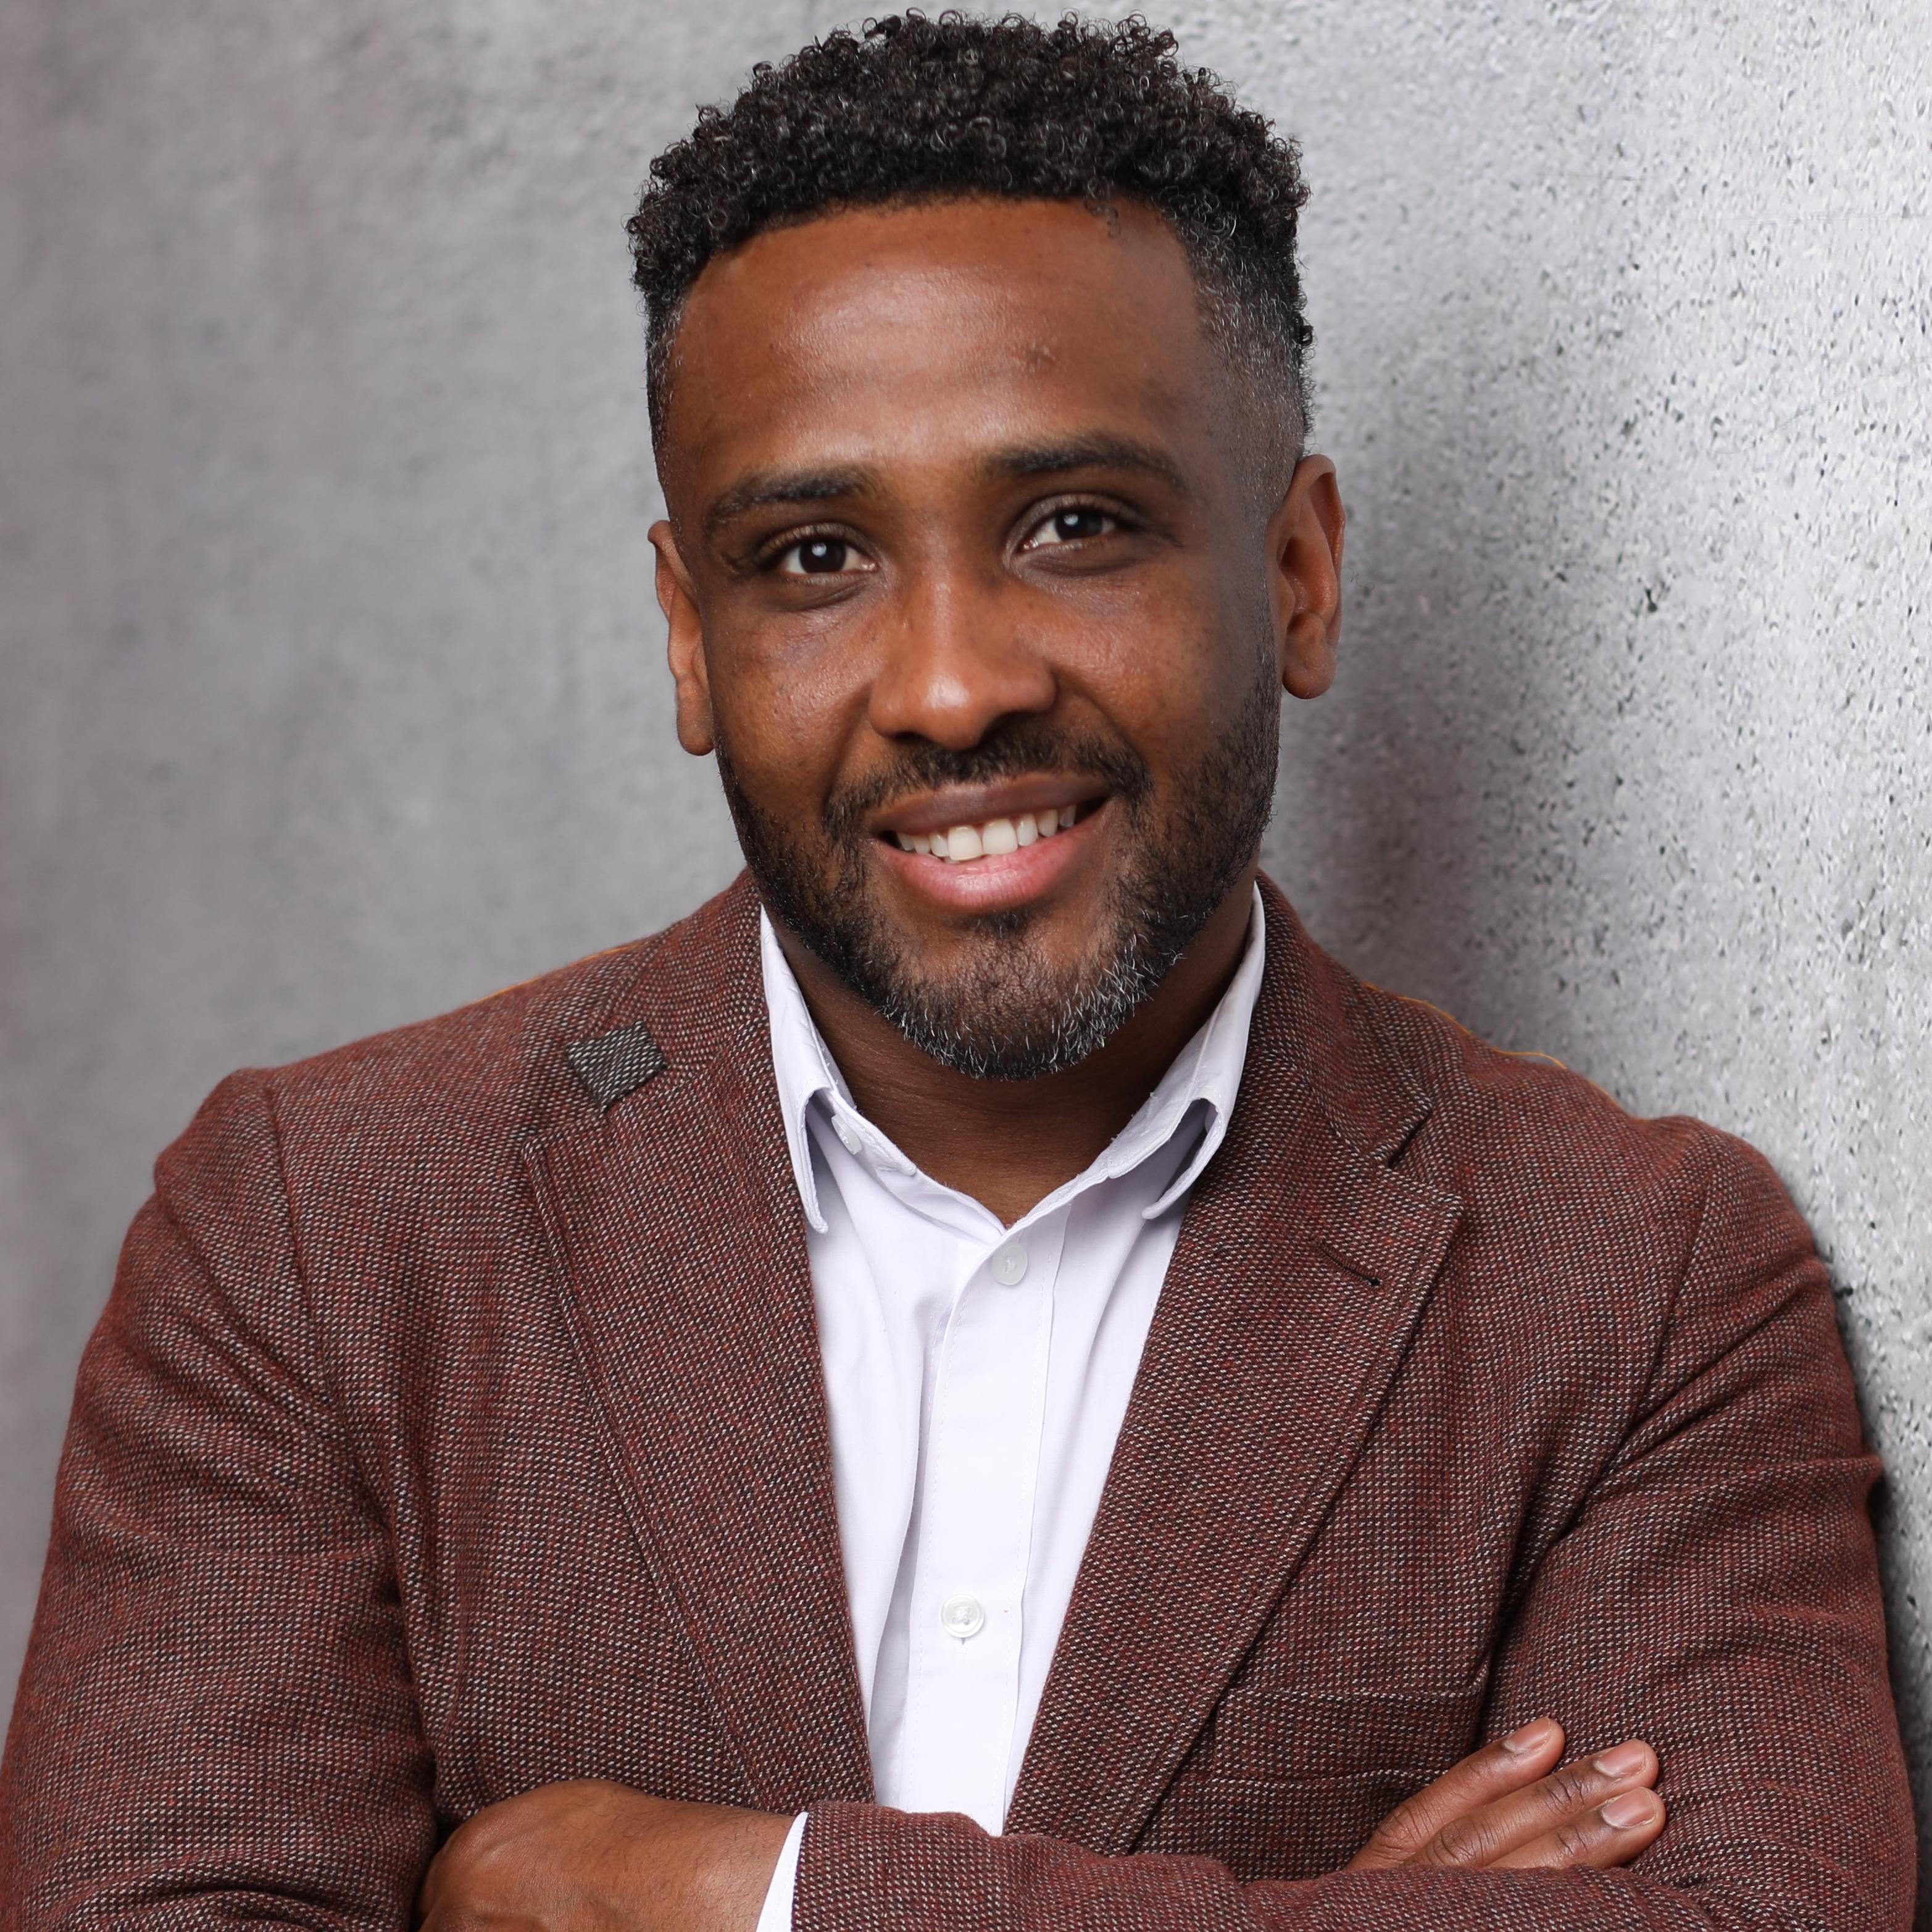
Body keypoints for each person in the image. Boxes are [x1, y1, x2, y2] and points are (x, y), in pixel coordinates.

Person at [0, 14, 1913, 1931]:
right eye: (813, 555)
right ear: (688, 636)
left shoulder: (1635, 1280)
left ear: (1298, 573)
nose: (949, 684)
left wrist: (753, 1896)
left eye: (1074, 526)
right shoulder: (320, 1241)